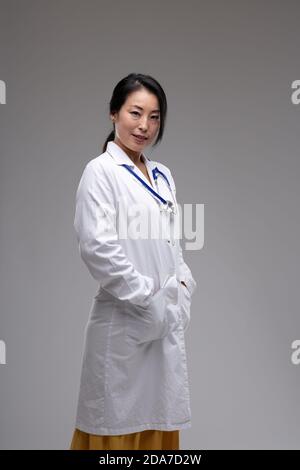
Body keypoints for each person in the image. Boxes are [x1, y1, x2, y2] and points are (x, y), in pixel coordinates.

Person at [69, 73, 197, 450]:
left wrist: (184, 289)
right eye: (135, 113)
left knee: (157, 426)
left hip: (164, 325)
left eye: (155, 117)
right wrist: (146, 297)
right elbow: (97, 246)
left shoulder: (162, 175)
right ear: (114, 114)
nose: (144, 126)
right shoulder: (100, 172)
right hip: (123, 323)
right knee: (117, 430)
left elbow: (174, 244)